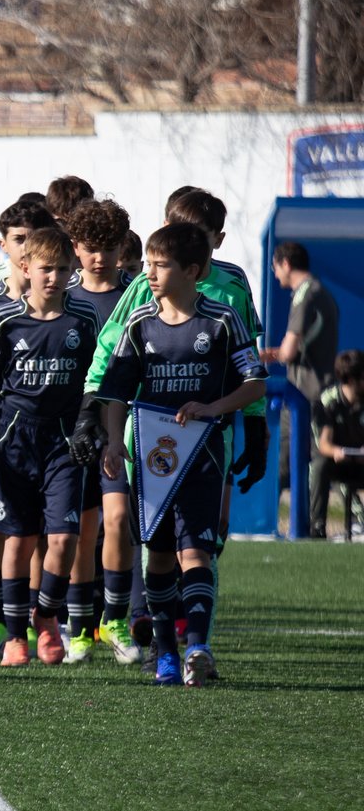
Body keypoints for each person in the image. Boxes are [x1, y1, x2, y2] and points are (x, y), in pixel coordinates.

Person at [97, 223, 267, 686]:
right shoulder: (139, 323)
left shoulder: (221, 320)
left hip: (204, 455)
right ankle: (166, 654)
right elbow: (115, 391)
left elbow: (255, 382)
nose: (149, 273)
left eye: (160, 265)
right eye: (148, 264)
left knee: (196, 552)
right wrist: (113, 440)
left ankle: (197, 648)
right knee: (158, 556)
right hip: (152, 460)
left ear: (192, 271)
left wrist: (214, 407)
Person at [0, 227, 101, 667]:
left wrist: (96, 428)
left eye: (63, 269)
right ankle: (16, 635)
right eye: (46, 268)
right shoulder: (5, 321)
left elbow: (98, 381)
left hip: (65, 441)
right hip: (14, 440)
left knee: (65, 539)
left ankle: (46, 615)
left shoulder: (84, 320)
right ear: (25, 268)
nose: (54, 277)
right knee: (19, 540)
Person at [64, 197, 140, 664]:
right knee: (78, 527)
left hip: (119, 425)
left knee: (117, 519)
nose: (99, 257)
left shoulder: (138, 294)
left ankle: (114, 619)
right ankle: (78, 628)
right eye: (91, 247)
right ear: (75, 246)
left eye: (109, 247)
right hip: (70, 425)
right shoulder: (63, 294)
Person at [266, 241, 340, 538]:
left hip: (304, 395)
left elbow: (288, 351)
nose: (275, 275)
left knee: (296, 460)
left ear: (285, 264)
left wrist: (265, 355)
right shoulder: (321, 291)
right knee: (302, 460)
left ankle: (278, 524)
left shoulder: (305, 294)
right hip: (317, 392)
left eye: (275, 268)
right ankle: (306, 524)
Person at [313, 350, 364, 538]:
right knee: (320, 466)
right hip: (338, 462)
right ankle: (317, 526)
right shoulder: (329, 401)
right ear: (351, 379)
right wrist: (339, 452)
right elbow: (324, 444)